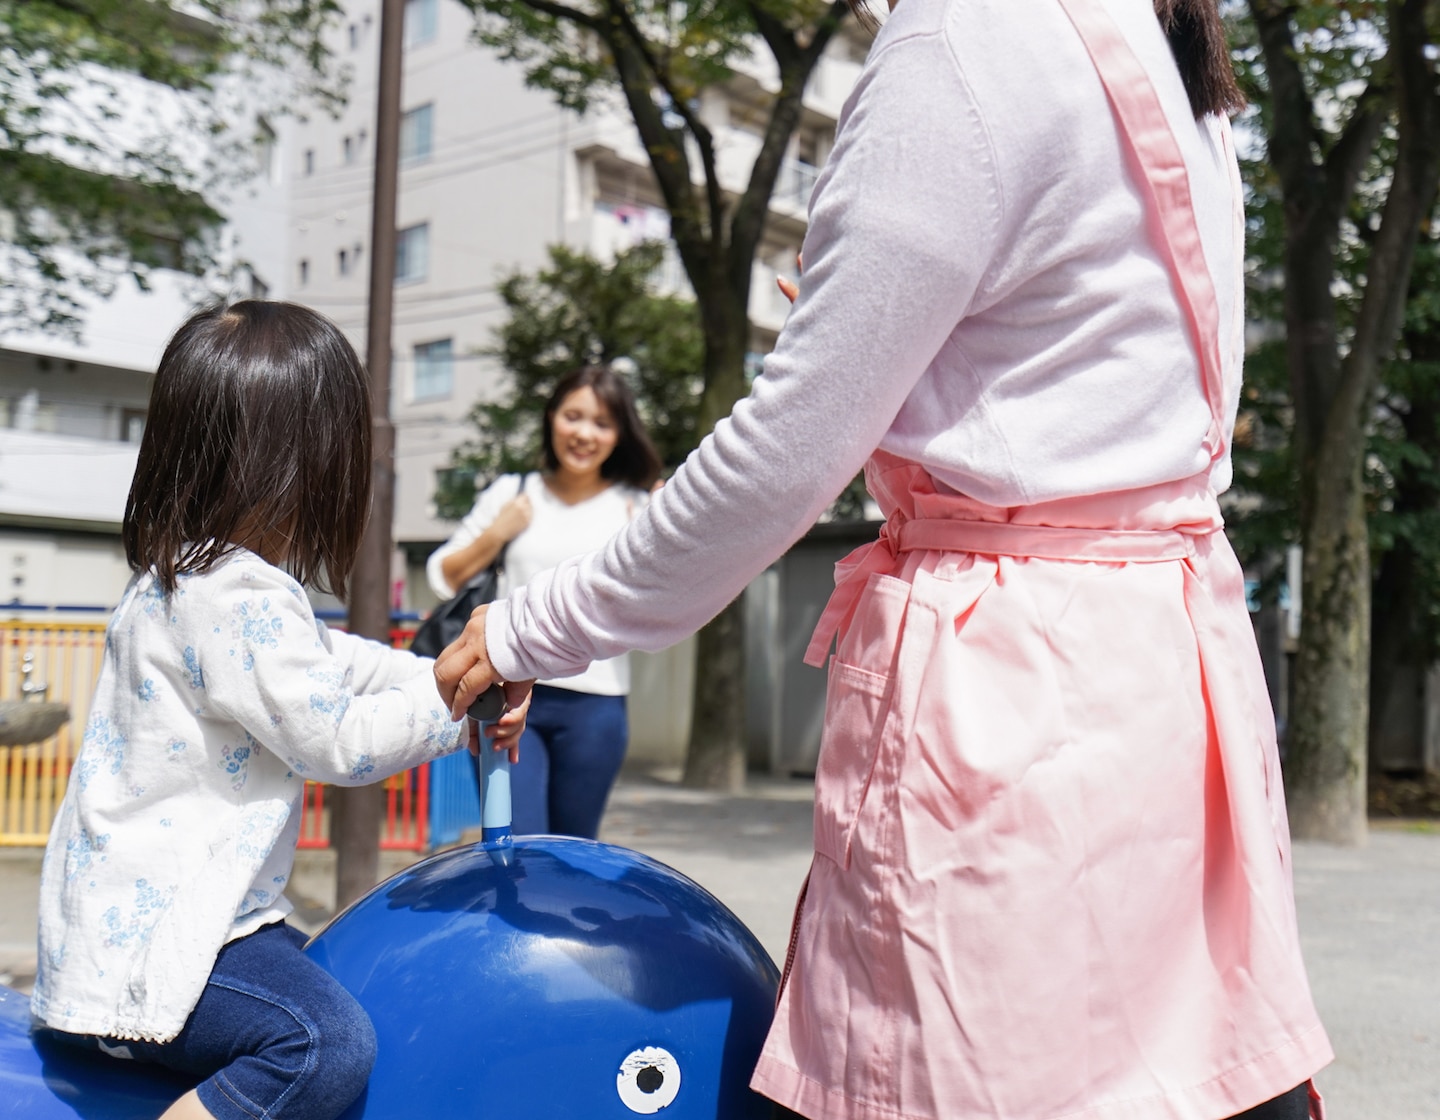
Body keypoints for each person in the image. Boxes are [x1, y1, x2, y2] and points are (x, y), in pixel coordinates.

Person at [436, 0, 1334, 1117]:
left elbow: (783, 455)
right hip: (1161, 674)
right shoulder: (1156, 47)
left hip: (1007, 695)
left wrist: (530, 625)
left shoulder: (962, 36)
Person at [30, 301, 528, 1120]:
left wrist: (441, 674)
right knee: (322, 1042)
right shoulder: (240, 595)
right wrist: (457, 708)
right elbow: (333, 737)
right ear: (307, 462)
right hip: (164, 950)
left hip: (120, 935)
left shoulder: (179, 580)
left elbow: (336, 666)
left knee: (334, 982)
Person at [426, 365, 661, 838]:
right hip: (507, 696)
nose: (584, 433)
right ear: (551, 417)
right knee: (514, 850)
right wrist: (498, 533)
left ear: (620, 435)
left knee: (573, 857)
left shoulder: (638, 506)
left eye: (602, 423)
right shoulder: (512, 494)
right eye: (573, 416)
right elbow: (442, 575)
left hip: (596, 703)